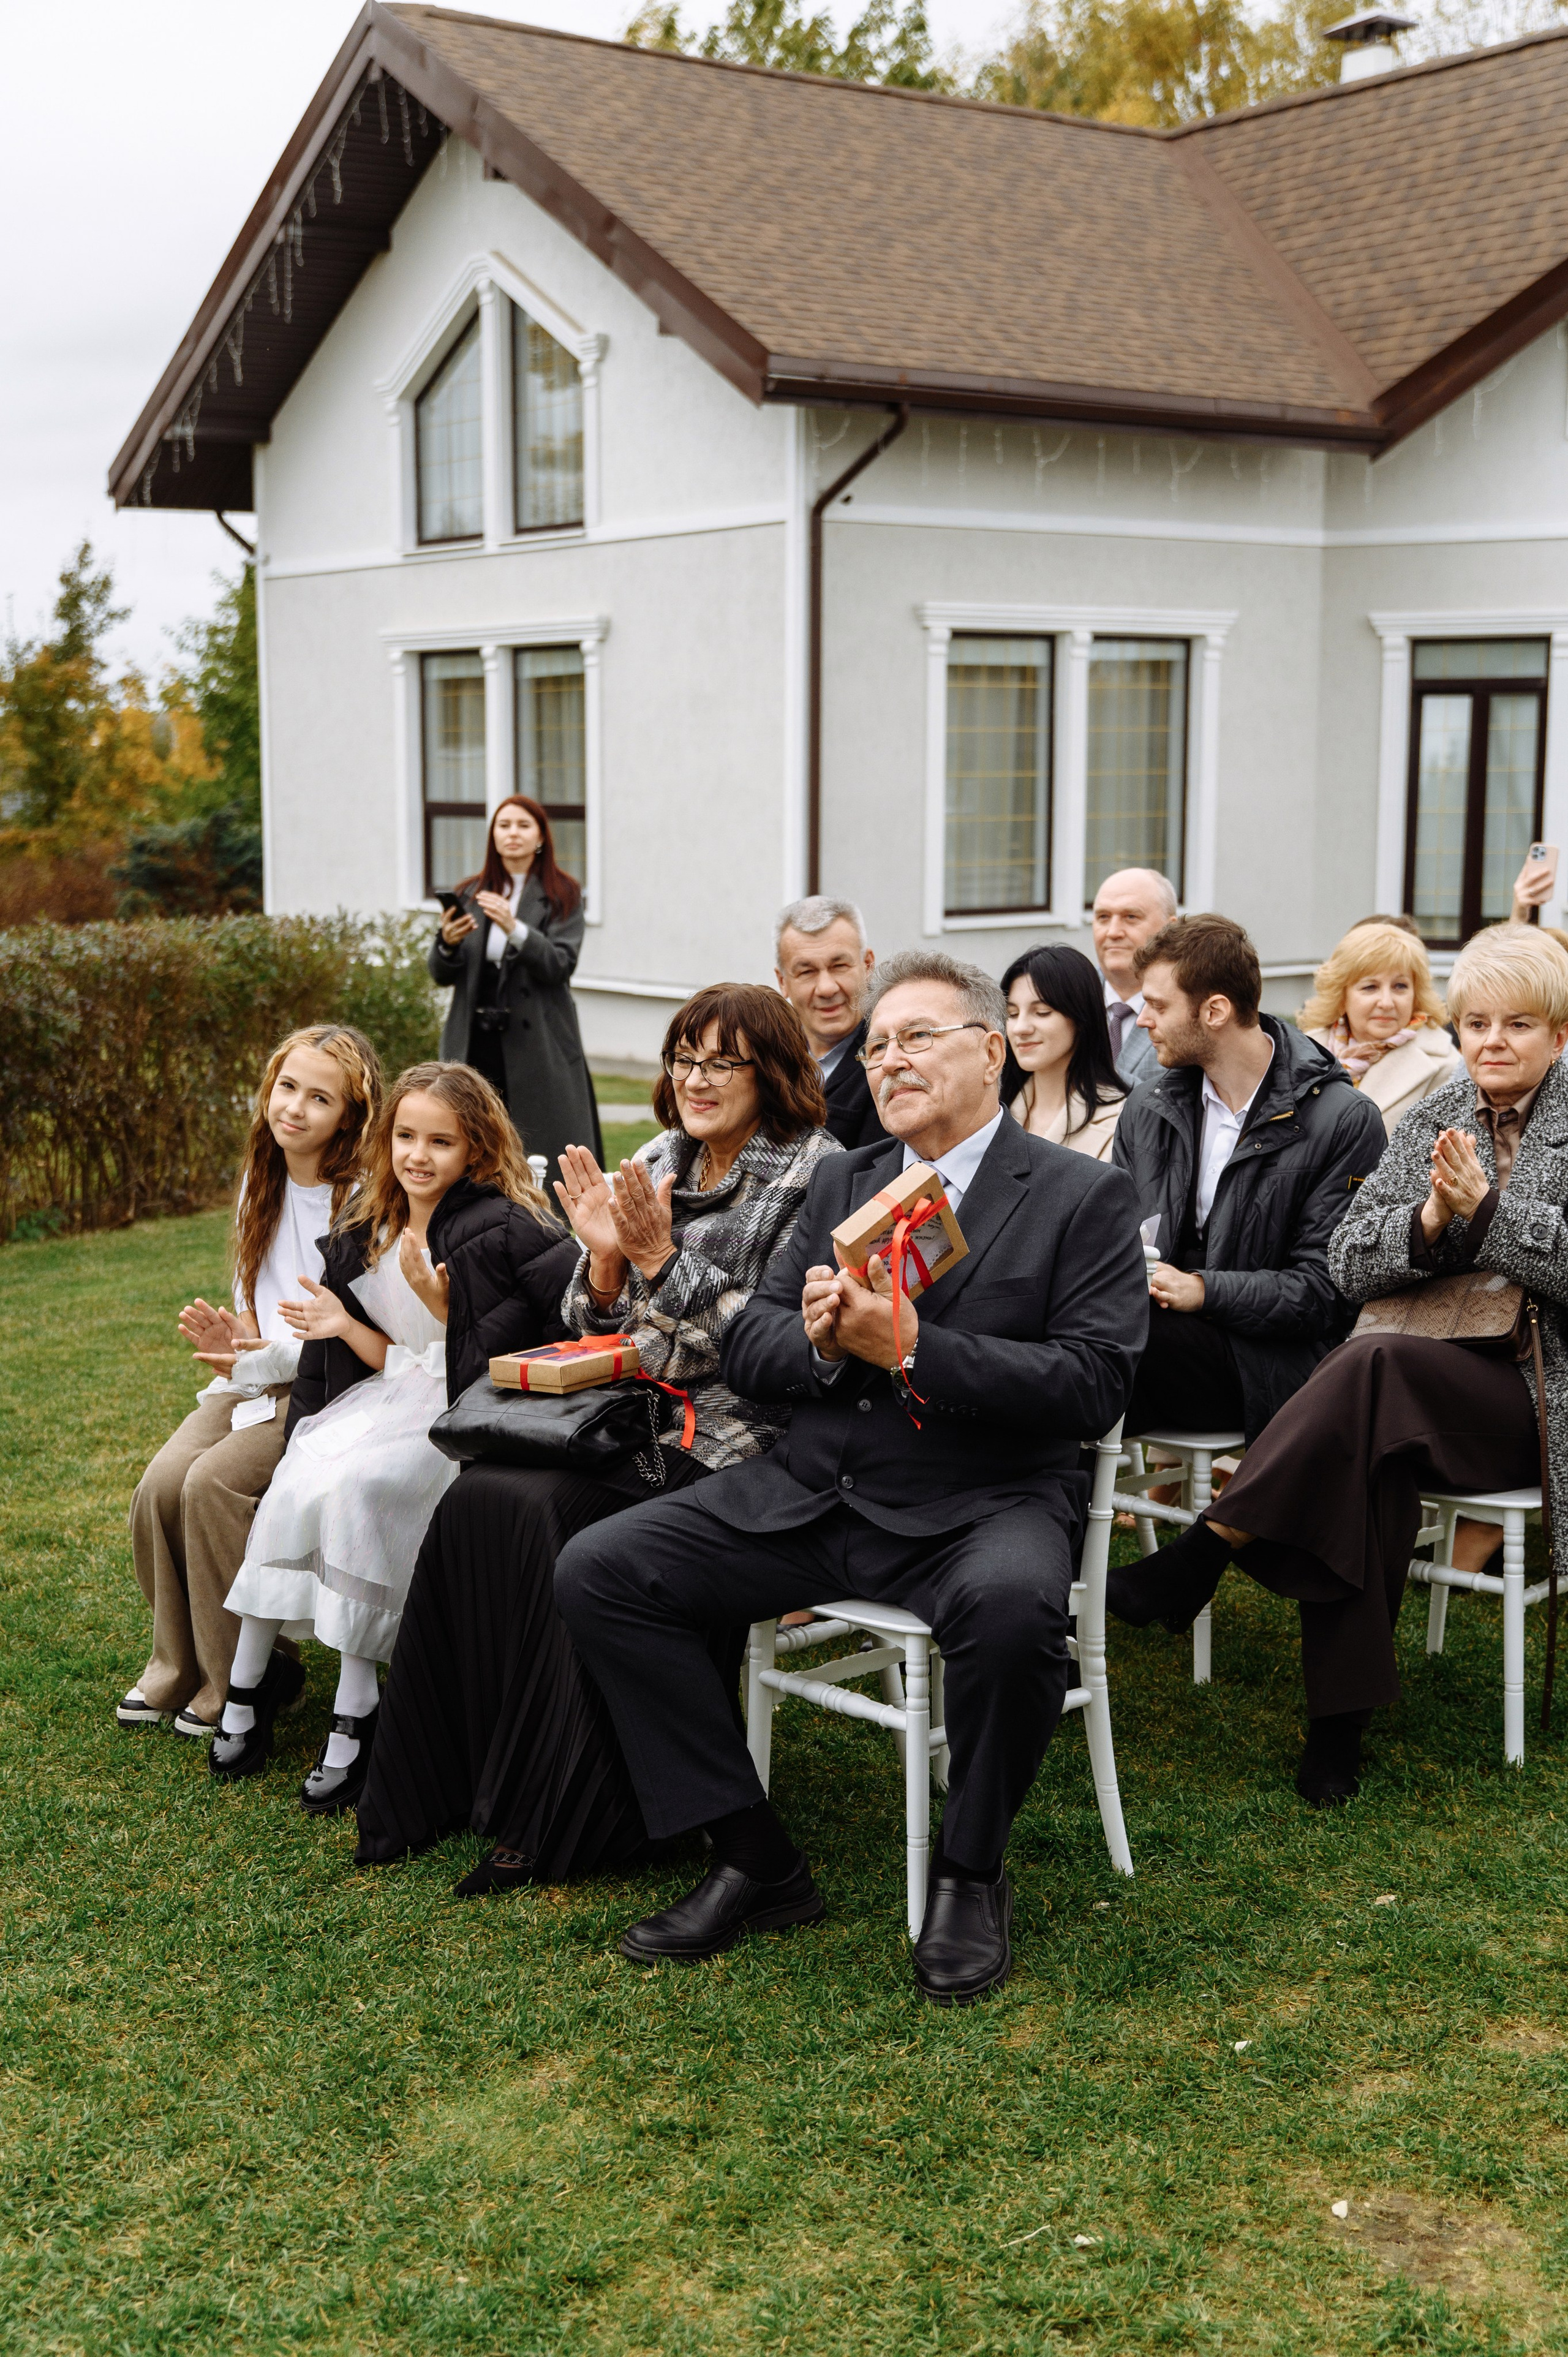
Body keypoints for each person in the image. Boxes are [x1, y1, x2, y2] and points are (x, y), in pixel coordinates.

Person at [554, 951, 1148, 2006]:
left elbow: (1090, 1385)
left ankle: (970, 1870)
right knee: (602, 1567)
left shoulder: (1082, 1195)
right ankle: (752, 1857)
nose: (889, 1057)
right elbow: (756, 1347)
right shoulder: (848, 1176)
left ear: (992, 1049)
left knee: (1015, 1621)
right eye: (876, 1045)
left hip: (984, 1502)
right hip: (817, 1489)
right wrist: (831, 1345)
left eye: (917, 1036)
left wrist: (915, 1344)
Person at [353, 985, 842, 1891]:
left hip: (737, 1431)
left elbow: (766, 1348)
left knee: (557, 1521)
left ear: (770, 1070)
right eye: (683, 1059)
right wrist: (610, 1262)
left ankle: (569, 1815)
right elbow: (586, 1311)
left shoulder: (815, 1173)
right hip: (629, 1408)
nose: (694, 1080)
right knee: (483, 1498)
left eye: (719, 1062)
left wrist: (658, 1261)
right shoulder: (661, 1155)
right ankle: (457, 1782)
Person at [1109, 924, 1568, 1807]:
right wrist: (1430, 1226)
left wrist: (1490, 1215)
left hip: (1535, 1396)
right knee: (1370, 1447)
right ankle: (1337, 1732)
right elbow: (1352, 1264)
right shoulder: (1438, 1114)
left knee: (1371, 1370)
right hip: (1419, 1386)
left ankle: (1206, 1549)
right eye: (1475, 1024)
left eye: (1517, 1025)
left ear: (1558, 1034)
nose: (1492, 1043)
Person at [211, 1063, 565, 1813]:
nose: (418, 1155)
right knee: (302, 1470)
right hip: (387, 1392)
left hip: (459, 1407)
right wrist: (343, 1328)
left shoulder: (506, 1226)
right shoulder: (363, 1226)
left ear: (475, 1148)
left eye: (441, 1141)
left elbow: (517, 1342)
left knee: (361, 1487)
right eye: (406, 1135)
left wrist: (447, 1305)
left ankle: (357, 1702)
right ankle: (245, 1678)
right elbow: (379, 1355)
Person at [119, 1026, 382, 1738]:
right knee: (160, 1486)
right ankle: (176, 1663)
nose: (293, 1107)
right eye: (287, 1086)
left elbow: (345, 1336)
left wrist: (263, 1361)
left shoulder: (358, 1197)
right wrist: (235, 1341)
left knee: (212, 1485)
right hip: (255, 1376)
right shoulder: (260, 1175)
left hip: (321, 1386)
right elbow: (252, 1297)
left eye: (319, 1097)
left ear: (351, 1115)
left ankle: (249, 1674)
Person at [1110, 913, 1387, 1445]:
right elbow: (1113, 1232)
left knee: (1112, 1345)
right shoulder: (1149, 1104)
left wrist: (1202, 1290)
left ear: (1215, 1011)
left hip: (1273, 1368)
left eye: (1159, 1005)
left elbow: (1326, 1293)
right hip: (1156, 1340)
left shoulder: (1344, 1119)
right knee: (1069, 1342)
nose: (1142, 1020)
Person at [429, 794, 602, 1186]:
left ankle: (543, 1223)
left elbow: (560, 964)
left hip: (538, 1043)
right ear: (493, 836)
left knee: (539, 1145)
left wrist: (515, 928)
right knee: (472, 1137)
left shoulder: (563, 894)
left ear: (540, 837)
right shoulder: (470, 892)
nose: (513, 834)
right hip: (476, 1040)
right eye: (504, 826)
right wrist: (447, 943)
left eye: (523, 826)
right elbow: (441, 973)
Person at [1298, 922, 1460, 1137]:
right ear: (1341, 995)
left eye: (1400, 986)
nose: (1386, 1002)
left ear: (1416, 994)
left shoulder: (1447, 1067)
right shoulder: (1300, 1053)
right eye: (1370, 987)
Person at [774, 894, 886, 1150]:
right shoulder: (767, 1058)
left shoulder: (894, 1060)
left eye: (839, 966)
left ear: (868, 966)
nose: (826, 988)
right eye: (807, 972)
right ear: (783, 982)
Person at [1001, 944, 1128, 1159]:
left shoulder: (1123, 1119)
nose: (1021, 1028)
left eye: (1042, 1013)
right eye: (1012, 1014)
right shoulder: (991, 1113)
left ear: (1080, 1017)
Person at [1091, 867, 1178, 1087]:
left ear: (1170, 929)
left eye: (1131, 917)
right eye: (1103, 917)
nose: (1113, 932)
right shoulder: (1065, 1000)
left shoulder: (1191, 1012)